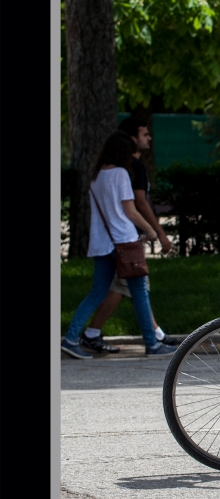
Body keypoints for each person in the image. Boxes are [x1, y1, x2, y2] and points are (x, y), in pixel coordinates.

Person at [61, 131, 178, 359]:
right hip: (125, 241)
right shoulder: (121, 174)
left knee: (96, 293)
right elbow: (130, 212)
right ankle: (152, 344)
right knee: (140, 293)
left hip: (102, 242)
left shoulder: (96, 176)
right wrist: (152, 230)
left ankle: (71, 338)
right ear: (123, 152)